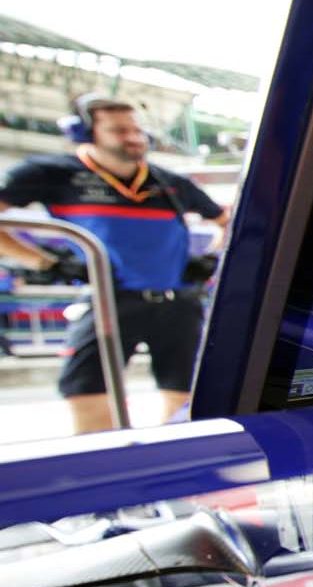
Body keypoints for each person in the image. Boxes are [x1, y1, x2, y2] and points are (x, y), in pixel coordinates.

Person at [0, 94, 227, 433]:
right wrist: (44, 261)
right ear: (85, 132)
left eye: (137, 129)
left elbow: (224, 220)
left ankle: (173, 471)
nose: (134, 137)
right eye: (120, 130)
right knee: (86, 392)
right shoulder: (52, 174)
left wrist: (208, 258)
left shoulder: (168, 183)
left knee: (189, 397)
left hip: (177, 302)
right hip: (107, 300)